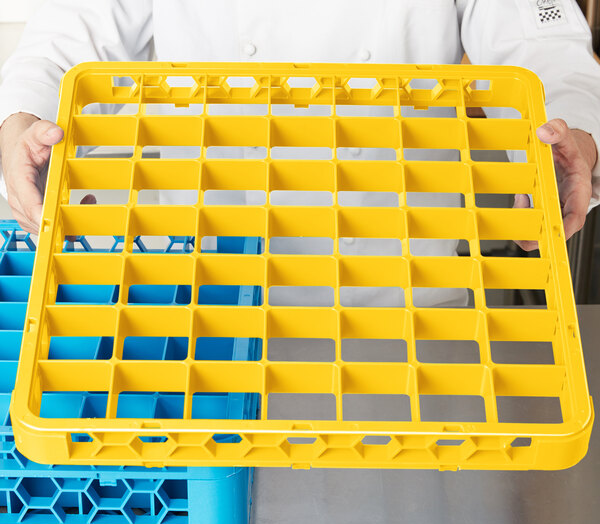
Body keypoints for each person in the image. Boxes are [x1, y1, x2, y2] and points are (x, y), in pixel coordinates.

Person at [0, 0, 599, 308]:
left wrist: (574, 135)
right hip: (189, 288)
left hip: (395, 288)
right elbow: (61, 43)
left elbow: (542, 45)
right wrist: (23, 124)